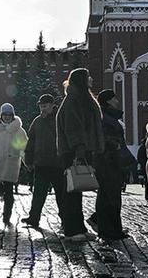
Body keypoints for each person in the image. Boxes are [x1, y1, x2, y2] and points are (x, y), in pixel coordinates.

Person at [55, 68, 103, 241]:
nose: (91, 80)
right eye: (87, 77)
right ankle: (71, 230)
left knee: (77, 190)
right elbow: (73, 127)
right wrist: (79, 148)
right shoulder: (73, 100)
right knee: (71, 191)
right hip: (73, 151)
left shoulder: (80, 99)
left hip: (81, 149)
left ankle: (79, 227)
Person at [93, 88, 131, 240]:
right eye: (114, 98)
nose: (117, 101)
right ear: (108, 101)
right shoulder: (104, 117)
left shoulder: (108, 116)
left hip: (112, 161)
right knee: (109, 196)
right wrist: (115, 145)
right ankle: (108, 230)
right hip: (108, 162)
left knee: (112, 196)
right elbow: (103, 138)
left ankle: (114, 229)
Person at [22, 94, 63, 227]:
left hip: (58, 164)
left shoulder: (59, 119)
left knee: (61, 194)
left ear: (52, 105)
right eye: (41, 106)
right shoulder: (37, 121)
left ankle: (65, 218)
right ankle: (34, 218)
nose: (42, 109)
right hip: (41, 163)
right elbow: (31, 141)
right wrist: (29, 160)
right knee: (38, 193)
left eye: (45, 106)